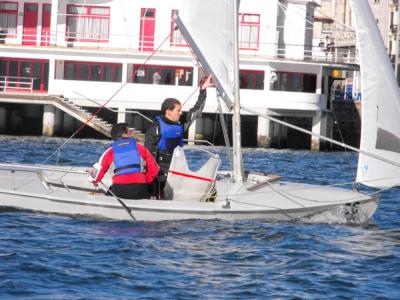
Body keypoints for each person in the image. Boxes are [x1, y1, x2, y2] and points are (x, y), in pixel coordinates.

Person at [145, 75, 214, 198]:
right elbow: (148, 155)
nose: (181, 113)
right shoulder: (155, 128)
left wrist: (202, 90)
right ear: (168, 112)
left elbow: (197, 110)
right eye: (178, 110)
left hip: (177, 167)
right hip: (161, 170)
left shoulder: (181, 124)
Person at [88, 123, 159, 199]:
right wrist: (144, 179)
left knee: (108, 192)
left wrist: (92, 178)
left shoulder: (110, 152)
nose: (131, 133)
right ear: (124, 135)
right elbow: (155, 170)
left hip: (119, 189)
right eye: (129, 131)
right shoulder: (141, 148)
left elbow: (95, 177)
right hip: (140, 189)